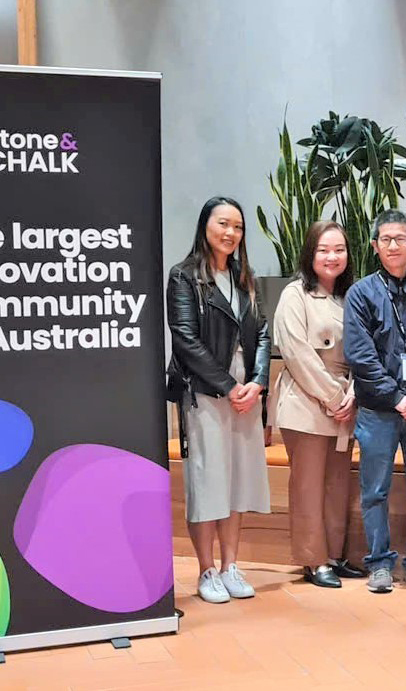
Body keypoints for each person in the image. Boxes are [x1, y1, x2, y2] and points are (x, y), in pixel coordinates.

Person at [166, 197, 271, 604]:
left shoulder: (246, 277)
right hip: (208, 393)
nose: (230, 233)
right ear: (205, 226)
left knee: (237, 481)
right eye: (223, 224)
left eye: (238, 227)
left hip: (246, 394)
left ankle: (231, 566)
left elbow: (262, 333)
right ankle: (206, 569)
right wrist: (229, 386)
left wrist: (258, 382)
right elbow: (186, 341)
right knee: (208, 482)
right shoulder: (185, 276)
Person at [343, 210, 406, 594]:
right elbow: (360, 356)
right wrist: (399, 398)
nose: (393, 246)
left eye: (400, 239)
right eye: (385, 239)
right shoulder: (361, 294)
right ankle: (379, 563)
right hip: (378, 410)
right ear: (374, 246)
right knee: (375, 491)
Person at [270, 220, 365, 588]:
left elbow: (364, 351)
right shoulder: (295, 295)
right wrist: (334, 396)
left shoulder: (351, 296)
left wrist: (353, 393)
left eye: (339, 249)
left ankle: (335, 555)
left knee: (337, 484)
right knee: (308, 485)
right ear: (310, 253)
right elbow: (297, 354)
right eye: (324, 249)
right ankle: (314, 560)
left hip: (345, 403)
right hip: (308, 403)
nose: (332, 256)